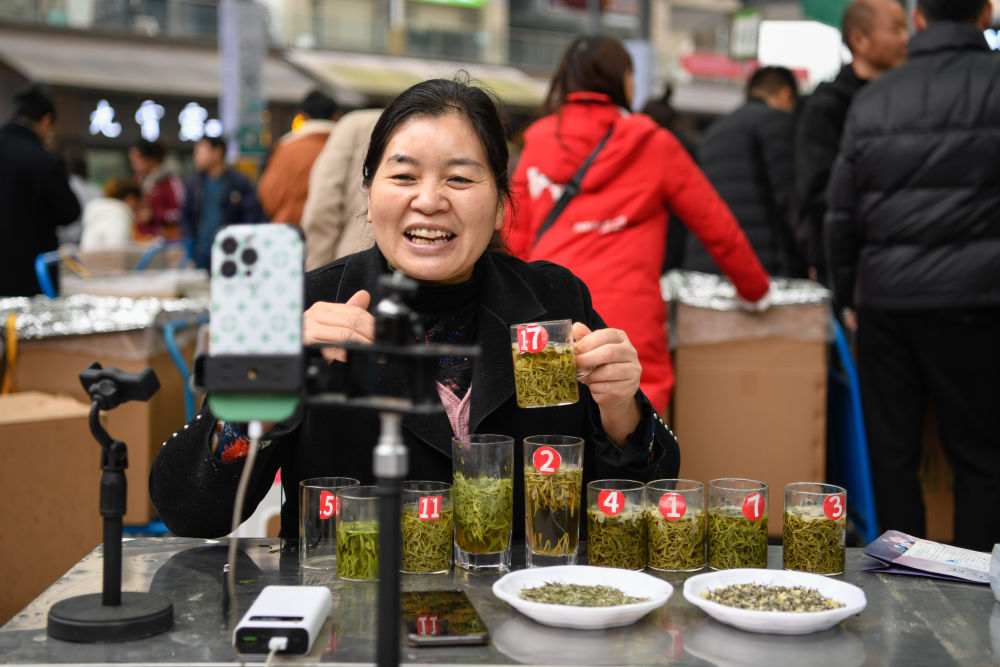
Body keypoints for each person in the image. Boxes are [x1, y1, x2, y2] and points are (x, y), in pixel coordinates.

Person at [149, 77, 679, 541]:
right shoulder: (302, 304)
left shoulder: (553, 301)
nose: (429, 199)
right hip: (349, 622)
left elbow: (646, 496)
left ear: (498, 204)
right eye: (403, 176)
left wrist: (621, 411)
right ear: (369, 194)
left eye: (460, 178)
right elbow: (191, 511)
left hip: (519, 618)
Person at [506, 36, 770, 414]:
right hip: (628, 323)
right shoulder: (653, 143)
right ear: (624, 80)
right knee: (634, 442)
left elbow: (515, 236)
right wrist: (756, 290)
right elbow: (716, 224)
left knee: (552, 440)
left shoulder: (541, 141)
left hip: (550, 317)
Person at [825, 0, 1000, 551]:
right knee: (981, 457)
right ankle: (977, 602)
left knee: (893, 457)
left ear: (919, 18)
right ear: (987, 13)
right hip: (979, 301)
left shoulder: (875, 98)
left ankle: (904, 592)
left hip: (886, 305)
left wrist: (850, 292)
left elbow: (841, 214)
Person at [794, 0, 908, 284]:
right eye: (896, 29)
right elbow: (818, 191)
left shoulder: (907, 97)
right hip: (849, 266)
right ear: (859, 39)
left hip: (903, 261)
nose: (906, 38)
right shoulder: (827, 106)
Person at [683, 66, 805, 279]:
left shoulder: (714, 132)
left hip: (708, 262)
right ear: (786, 95)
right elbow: (787, 197)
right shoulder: (776, 120)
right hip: (758, 263)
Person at [0, 86, 80, 297]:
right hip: (27, 276)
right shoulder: (42, 159)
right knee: (19, 329)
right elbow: (69, 212)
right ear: (46, 121)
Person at [300, 108, 382, 270]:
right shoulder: (420, 121)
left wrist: (318, 273)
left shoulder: (354, 125)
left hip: (352, 261)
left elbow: (322, 205)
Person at [180, 136, 265, 270]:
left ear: (217, 152)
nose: (196, 157)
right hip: (201, 252)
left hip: (231, 252)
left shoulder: (239, 182)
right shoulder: (193, 184)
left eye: (200, 152)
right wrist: (189, 242)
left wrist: (243, 242)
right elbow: (186, 215)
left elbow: (252, 215)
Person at [257, 89, 339, 226]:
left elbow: (269, 194)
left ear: (303, 116)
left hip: (291, 230)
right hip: (335, 230)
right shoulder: (348, 146)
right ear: (336, 116)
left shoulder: (286, 147)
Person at [129, 139, 184, 240]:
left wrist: (154, 214)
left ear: (151, 159)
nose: (134, 165)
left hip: (168, 242)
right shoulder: (138, 181)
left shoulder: (169, 181)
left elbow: (180, 213)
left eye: (137, 160)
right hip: (144, 240)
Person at [80, 178, 142, 252]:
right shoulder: (119, 217)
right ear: (131, 199)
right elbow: (118, 253)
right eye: (139, 202)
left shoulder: (97, 213)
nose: (140, 206)